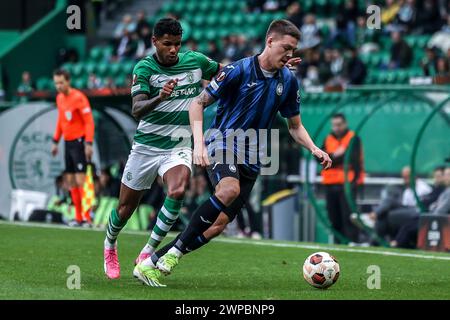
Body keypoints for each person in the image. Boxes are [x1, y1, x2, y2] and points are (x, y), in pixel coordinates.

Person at [133, 19, 331, 287]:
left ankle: (152, 261)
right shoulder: (239, 70)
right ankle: (173, 256)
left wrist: (314, 148)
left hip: (253, 154)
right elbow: (198, 103)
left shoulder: (288, 81)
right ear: (269, 41)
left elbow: (294, 126)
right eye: (286, 47)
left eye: (294, 50)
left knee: (218, 225)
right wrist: (200, 144)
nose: (290, 54)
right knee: (229, 190)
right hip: (222, 142)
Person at [102, 18, 221, 280]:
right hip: (146, 146)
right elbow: (136, 109)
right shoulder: (144, 67)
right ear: (154, 41)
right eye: (167, 44)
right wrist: (161, 97)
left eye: (177, 44)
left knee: (178, 190)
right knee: (125, 208)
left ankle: (147, 252)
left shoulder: (196, 62)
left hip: (178, 145)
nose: (173, 49)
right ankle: (110, 244)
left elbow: (227, 73)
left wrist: (268, 65)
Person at [51, 69, 95, 227]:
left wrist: (88, 143)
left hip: (79, 142)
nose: (58, 86)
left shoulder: (79, 98)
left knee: (81, 180)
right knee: (70, 181)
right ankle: (78, 217)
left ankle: (87, 218)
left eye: (61, 82)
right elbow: (61, 121)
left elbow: (89, 122)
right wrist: (55, 141)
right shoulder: (59, 98)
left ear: (68, 81)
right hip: (67, 143)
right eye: (56, 83)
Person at [322, 113, 364, 243]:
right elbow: (320, 157)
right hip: (330, 184)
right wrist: (337, 155)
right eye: (334, 125)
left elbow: (351, 158)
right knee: (334, 218)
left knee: (349, 217)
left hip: (348, 184)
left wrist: (331, 157)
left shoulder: (353, 138)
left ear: (345, 124)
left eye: (339, 124)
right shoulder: (328, 139)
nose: (337, 128)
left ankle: (352, 243)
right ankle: (338, 244)